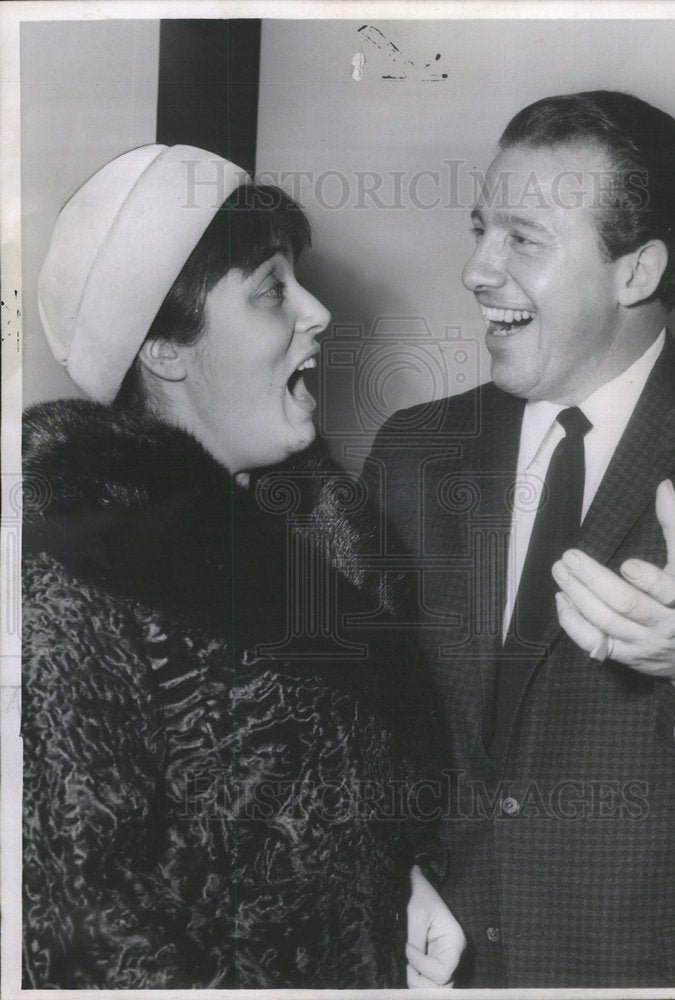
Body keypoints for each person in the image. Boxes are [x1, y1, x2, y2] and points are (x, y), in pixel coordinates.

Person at [366, 91, 675, 987]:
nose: (477, 270)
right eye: (481, 229)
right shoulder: (413, 451)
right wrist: (385, 872)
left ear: (636, 273)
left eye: (521, 238)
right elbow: (359, 721)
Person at [22, 144, 464, 989]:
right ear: (166, 350)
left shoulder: (340, 535)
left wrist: (400, 883)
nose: (320, 311)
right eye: (272, 290)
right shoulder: (69, 577)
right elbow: (78, 915)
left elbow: (371, 792)